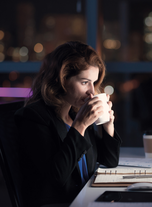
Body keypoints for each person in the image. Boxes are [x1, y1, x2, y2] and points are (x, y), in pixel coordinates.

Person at [14, 41, 122, 207]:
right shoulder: (34, 117)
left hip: (85, 198)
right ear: (62, 79)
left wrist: (107, 125)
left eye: (94, 82)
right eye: (85, 82)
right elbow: (56, 178)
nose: (92, 92)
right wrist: (79, 125)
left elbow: (110, 161)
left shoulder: (74, 113)